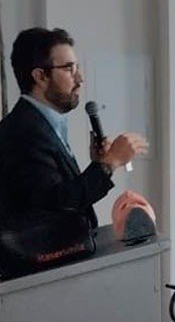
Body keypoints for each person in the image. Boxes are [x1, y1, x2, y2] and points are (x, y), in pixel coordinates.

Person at [0, 27, 147, 229]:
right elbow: (58, 205)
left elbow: (56, 194)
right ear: (40, 76)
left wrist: (99, 163)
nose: (79, 79)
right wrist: (110, 162)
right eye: (69, 69)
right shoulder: (24, 131)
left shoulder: (40, 122)